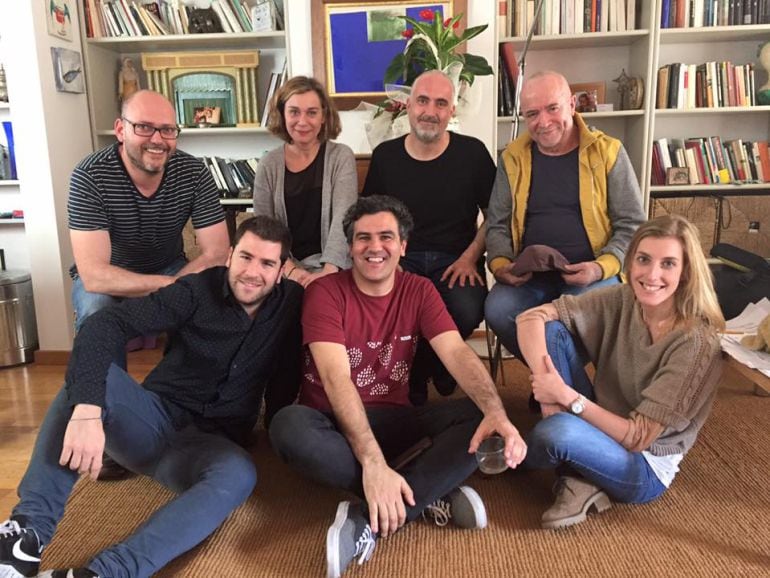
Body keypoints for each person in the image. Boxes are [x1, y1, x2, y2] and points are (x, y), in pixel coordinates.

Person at [0, 216, 303, 578]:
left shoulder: (290, 305)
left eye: (267, 263)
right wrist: (87, 410)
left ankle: (106, 573)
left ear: (282, 271)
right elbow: (105, 325)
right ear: (230, 255)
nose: (252, 272)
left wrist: (275, 431)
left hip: (208, 448)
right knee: (88, 381)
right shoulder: (195, 291)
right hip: (151, 423)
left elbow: (287, 372)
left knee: (240, 474)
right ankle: (27, 535)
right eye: (246, 257)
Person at [269, 195, 527, 578]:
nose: (375, 247)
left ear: (403, 246)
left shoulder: (419, 290)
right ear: (350, 247)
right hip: (332, 424)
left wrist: (495, 412)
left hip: (395, 421)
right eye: (363, 238)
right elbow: (336, 378)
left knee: (483, 416)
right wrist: (373, 463)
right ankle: (425, 490)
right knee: (287, 426)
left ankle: (369, 518)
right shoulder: (325, 292)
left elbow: (457, 353)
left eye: (386, 237)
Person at [516, 214, 725, 530]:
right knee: (552, 331)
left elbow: (638, 437)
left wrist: (566, 398)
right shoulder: (624, 298)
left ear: (685, 272)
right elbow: (530, 318)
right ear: (630, 261)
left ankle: (522, 456)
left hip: (643, 464)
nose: (652, 274)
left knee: (555, 433)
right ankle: (580, 474)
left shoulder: (697, 343)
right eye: (644, 259)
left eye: (668, 264)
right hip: (601, 420)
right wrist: (547, 389)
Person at [485, 70, 646, 359]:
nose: (543, 122)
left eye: (552, 108)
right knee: (498, 309)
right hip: (531, 277)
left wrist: (599, 267)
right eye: (532, 114)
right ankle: (558, 375)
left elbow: (633, 225)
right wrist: (500, 265)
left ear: (572, 105)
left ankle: (554, 380)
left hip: (595, 274)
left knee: (564, 324)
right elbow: (497, 224)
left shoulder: (608, 152)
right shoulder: (511, 158)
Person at [362, 70, 495, 404]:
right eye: (422, 101)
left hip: (457, 260)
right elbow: (370, 218)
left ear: (452, 110)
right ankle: (430, 370)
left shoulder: (473, 154)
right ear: (408, 105)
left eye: (441, 103)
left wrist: (470, 257)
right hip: (402, 260)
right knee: (394, 309)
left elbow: (496, 215)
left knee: (466, 310)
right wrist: (388, 261)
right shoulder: (386, 156)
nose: (430, 111)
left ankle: (426, 366)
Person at [68, 89, 230, 334]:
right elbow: (94, 275)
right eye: (143, 127)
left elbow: (217, 253)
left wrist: (176, 286)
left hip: (170, 267)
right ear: (120, 130)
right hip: (110, 276)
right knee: (95, 309)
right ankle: (105, 360)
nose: (157, 139)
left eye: (167, 129)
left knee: (209, 305)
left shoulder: (194, 173)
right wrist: (171, 287)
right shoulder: (90, 176)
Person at [253, 75, 357, 288]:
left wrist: (329, 270)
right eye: (294, 112)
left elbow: (345, 217)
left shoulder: (341, 156)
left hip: (334, 267)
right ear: (282, 114)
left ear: (323, 116)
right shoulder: (268, 164)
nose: (302, 121)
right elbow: (264, 228)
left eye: (311, 112)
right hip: (282, 267)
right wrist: (291, 270)